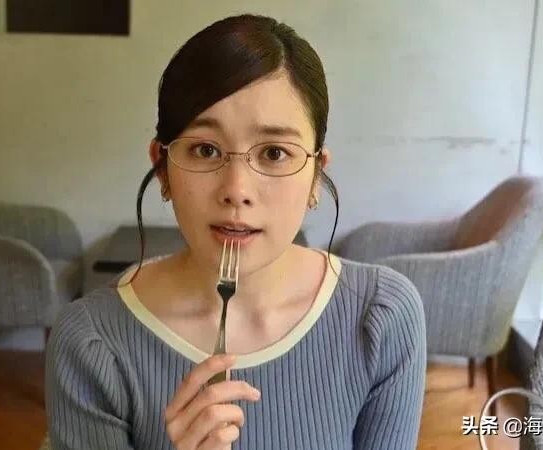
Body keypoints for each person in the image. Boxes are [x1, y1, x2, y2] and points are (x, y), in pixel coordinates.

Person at [46, 13, 426, 450]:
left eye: (274, 153)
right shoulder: (91, 341)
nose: (237, 190)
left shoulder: (381, 318)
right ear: (162, 168)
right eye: (205, 150)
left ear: (316, 176)